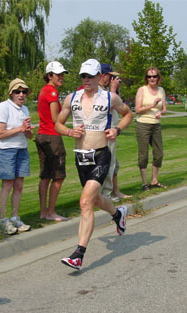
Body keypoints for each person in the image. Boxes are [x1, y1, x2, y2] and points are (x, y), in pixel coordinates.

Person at [55, 59, 132, 270]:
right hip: (81, 156)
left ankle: (78, 254)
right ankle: (118, 214)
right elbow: (58, 124)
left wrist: (117, 130)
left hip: (101, 155)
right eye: (83, 76)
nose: (86, 80)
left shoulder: (110, 98)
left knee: (85, 202)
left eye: (90, 76)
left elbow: (128, 115)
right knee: (95, 199)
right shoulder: (72, 98)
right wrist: (70, 132)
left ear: (99, 77)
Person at [0, 78, 34, 235]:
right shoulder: (3, 107)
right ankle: (2, 220)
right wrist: (20, 128)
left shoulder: (25, 110)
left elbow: (28, 135)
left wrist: (28, 130)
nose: (21, 94)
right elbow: (1, 133)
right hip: (5, 150)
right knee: (7, 184)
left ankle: (15, 217)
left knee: (19, 185)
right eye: (18, 91)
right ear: (11, 93)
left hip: (21, 149)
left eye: (24, 92)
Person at [35, 61, 69, 222]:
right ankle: (51, 211)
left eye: (62, 74)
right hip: (52, 136)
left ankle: (43, 212)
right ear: (50, 76)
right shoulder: (52, 92)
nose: (61, 77)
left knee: (45, 176)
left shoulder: (44, 91)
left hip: (42, 135)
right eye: (58, 75)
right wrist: (69, 112)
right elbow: (56, 118)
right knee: (58, 176)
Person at [98, 63, 132, 202]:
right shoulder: (98, 91)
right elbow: (107, 106)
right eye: (110, 76)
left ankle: (113, 191)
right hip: (105, 131)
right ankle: (105, 194)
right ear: (103, 75)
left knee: (113, 163)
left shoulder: (107, 91)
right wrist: (112, 89)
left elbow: (120, 108)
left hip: (112, 130)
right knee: (107, 163)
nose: (112, 79)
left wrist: (114, 90)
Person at [134, 67, 167, 191]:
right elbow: (137, 110)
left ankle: (154, 180)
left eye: (154, 76)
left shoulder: (161, 90)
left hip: (156, 124)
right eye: (149, 76)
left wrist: (161, 113)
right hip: (143, 124)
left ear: (158, 77)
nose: (152, 78)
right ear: (146, 78)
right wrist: (152, 105)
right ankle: (144, 183)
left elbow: (164, 108)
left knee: (159, 154)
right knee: (144, 155)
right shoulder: (142, 90)